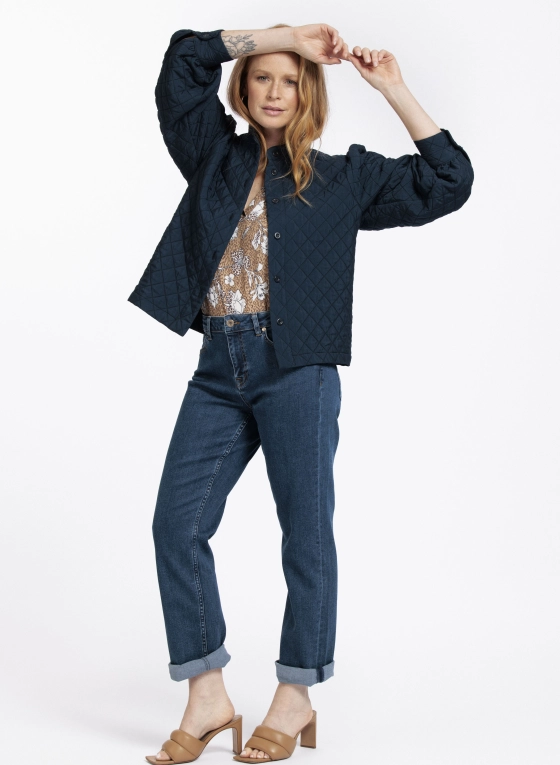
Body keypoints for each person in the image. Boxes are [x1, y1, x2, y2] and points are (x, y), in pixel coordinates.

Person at [131, 23, 475, 764]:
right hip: (218, 369)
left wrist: (391, 88)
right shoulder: (212, 155)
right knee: (175, 526)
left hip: (300, 372)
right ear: (244, 86)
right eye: (263, 76)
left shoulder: (344, 178)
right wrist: (278, 35)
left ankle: (296, 696)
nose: (275, 91)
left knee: (306, 536)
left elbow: (449, 181)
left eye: (290, 79)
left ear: (308, 92)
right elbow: (183, 61)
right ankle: (207, 695)